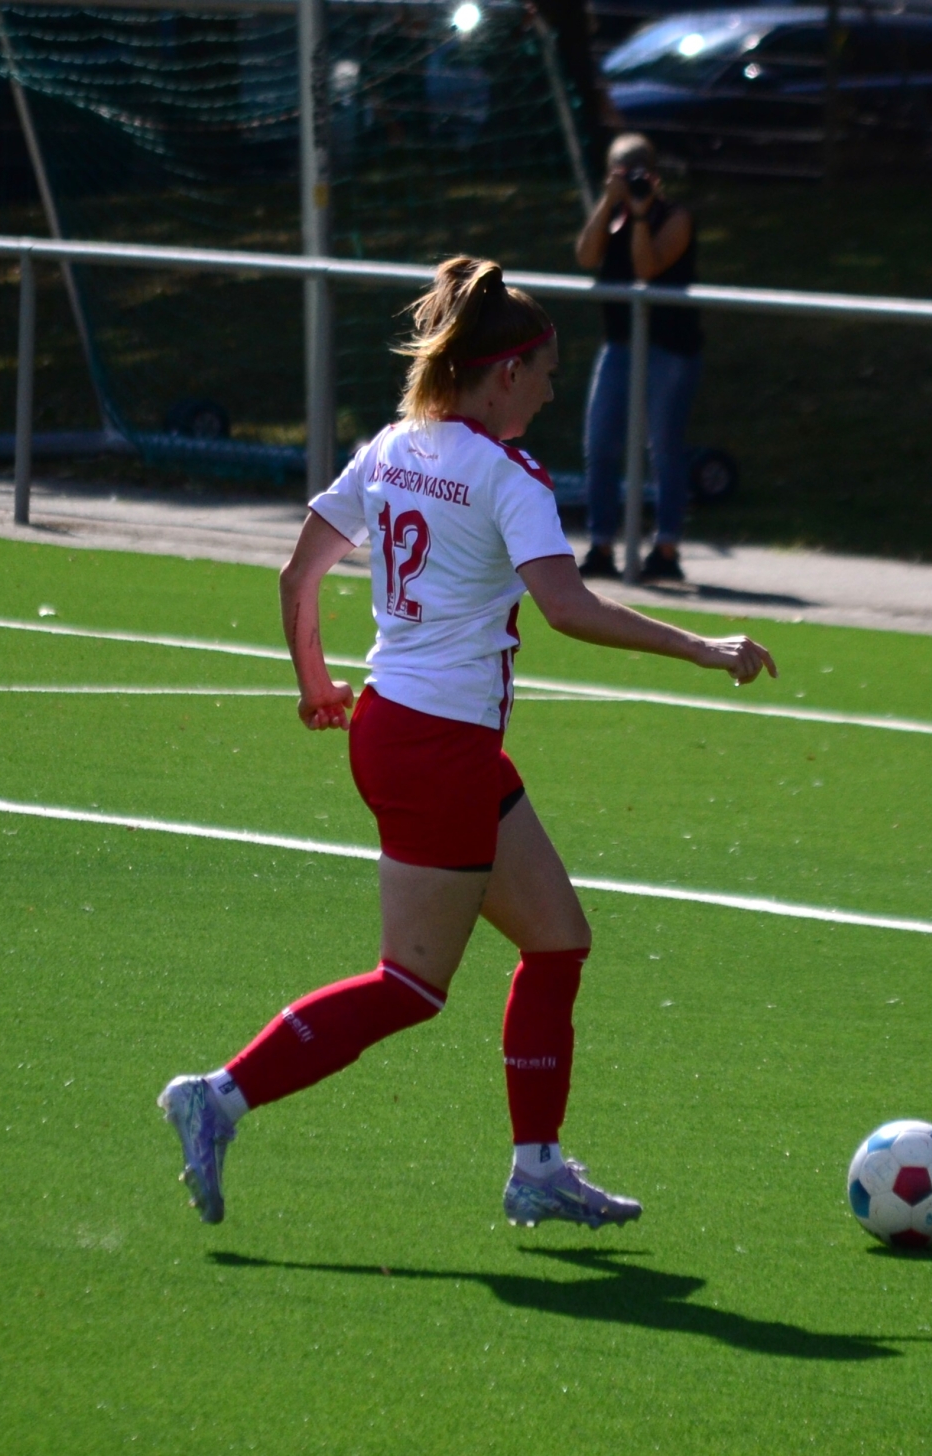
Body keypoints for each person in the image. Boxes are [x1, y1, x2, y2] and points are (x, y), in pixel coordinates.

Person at [159, 256, 776, 1227]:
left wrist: (316, 684)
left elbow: (298, 573)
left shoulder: (394, 444)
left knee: (558, 940)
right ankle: (218, 1096)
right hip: (436, 749)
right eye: (547, 373)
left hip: (407, 731)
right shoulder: (506, 474)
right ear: (506, 372)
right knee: (410, 983)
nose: (553, 391)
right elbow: (567, 608)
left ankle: (539, 1168)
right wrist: (700, 647)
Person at [574, 132, 703, 582]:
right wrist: (607, 204)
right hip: (620, 345)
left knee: (662, 448)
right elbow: (585, 256)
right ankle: (601, 545)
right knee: (599, 444)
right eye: (619, 174)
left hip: (670, 348)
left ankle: (665, 549)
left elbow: (647, 268)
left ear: (654, 175)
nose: (628, 182)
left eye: (635, 174)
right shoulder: (610, 216)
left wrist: (642, 215)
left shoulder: (675, 217)